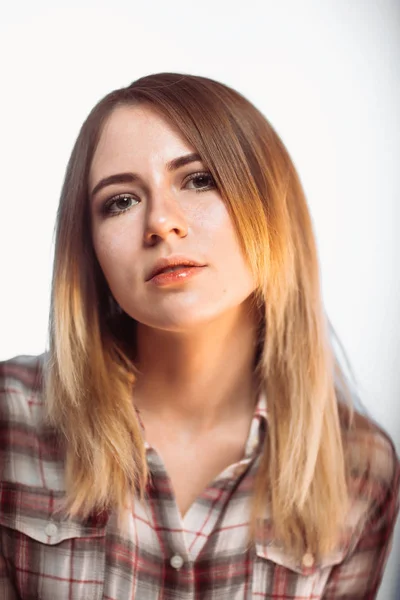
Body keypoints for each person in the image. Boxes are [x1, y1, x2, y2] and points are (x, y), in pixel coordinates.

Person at [0, 72, 398, 600]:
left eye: (199, 178)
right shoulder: (10, 421)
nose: (162, 223)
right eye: (120, 201)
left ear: (272, 210)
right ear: (91, 253)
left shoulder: (360, 469)